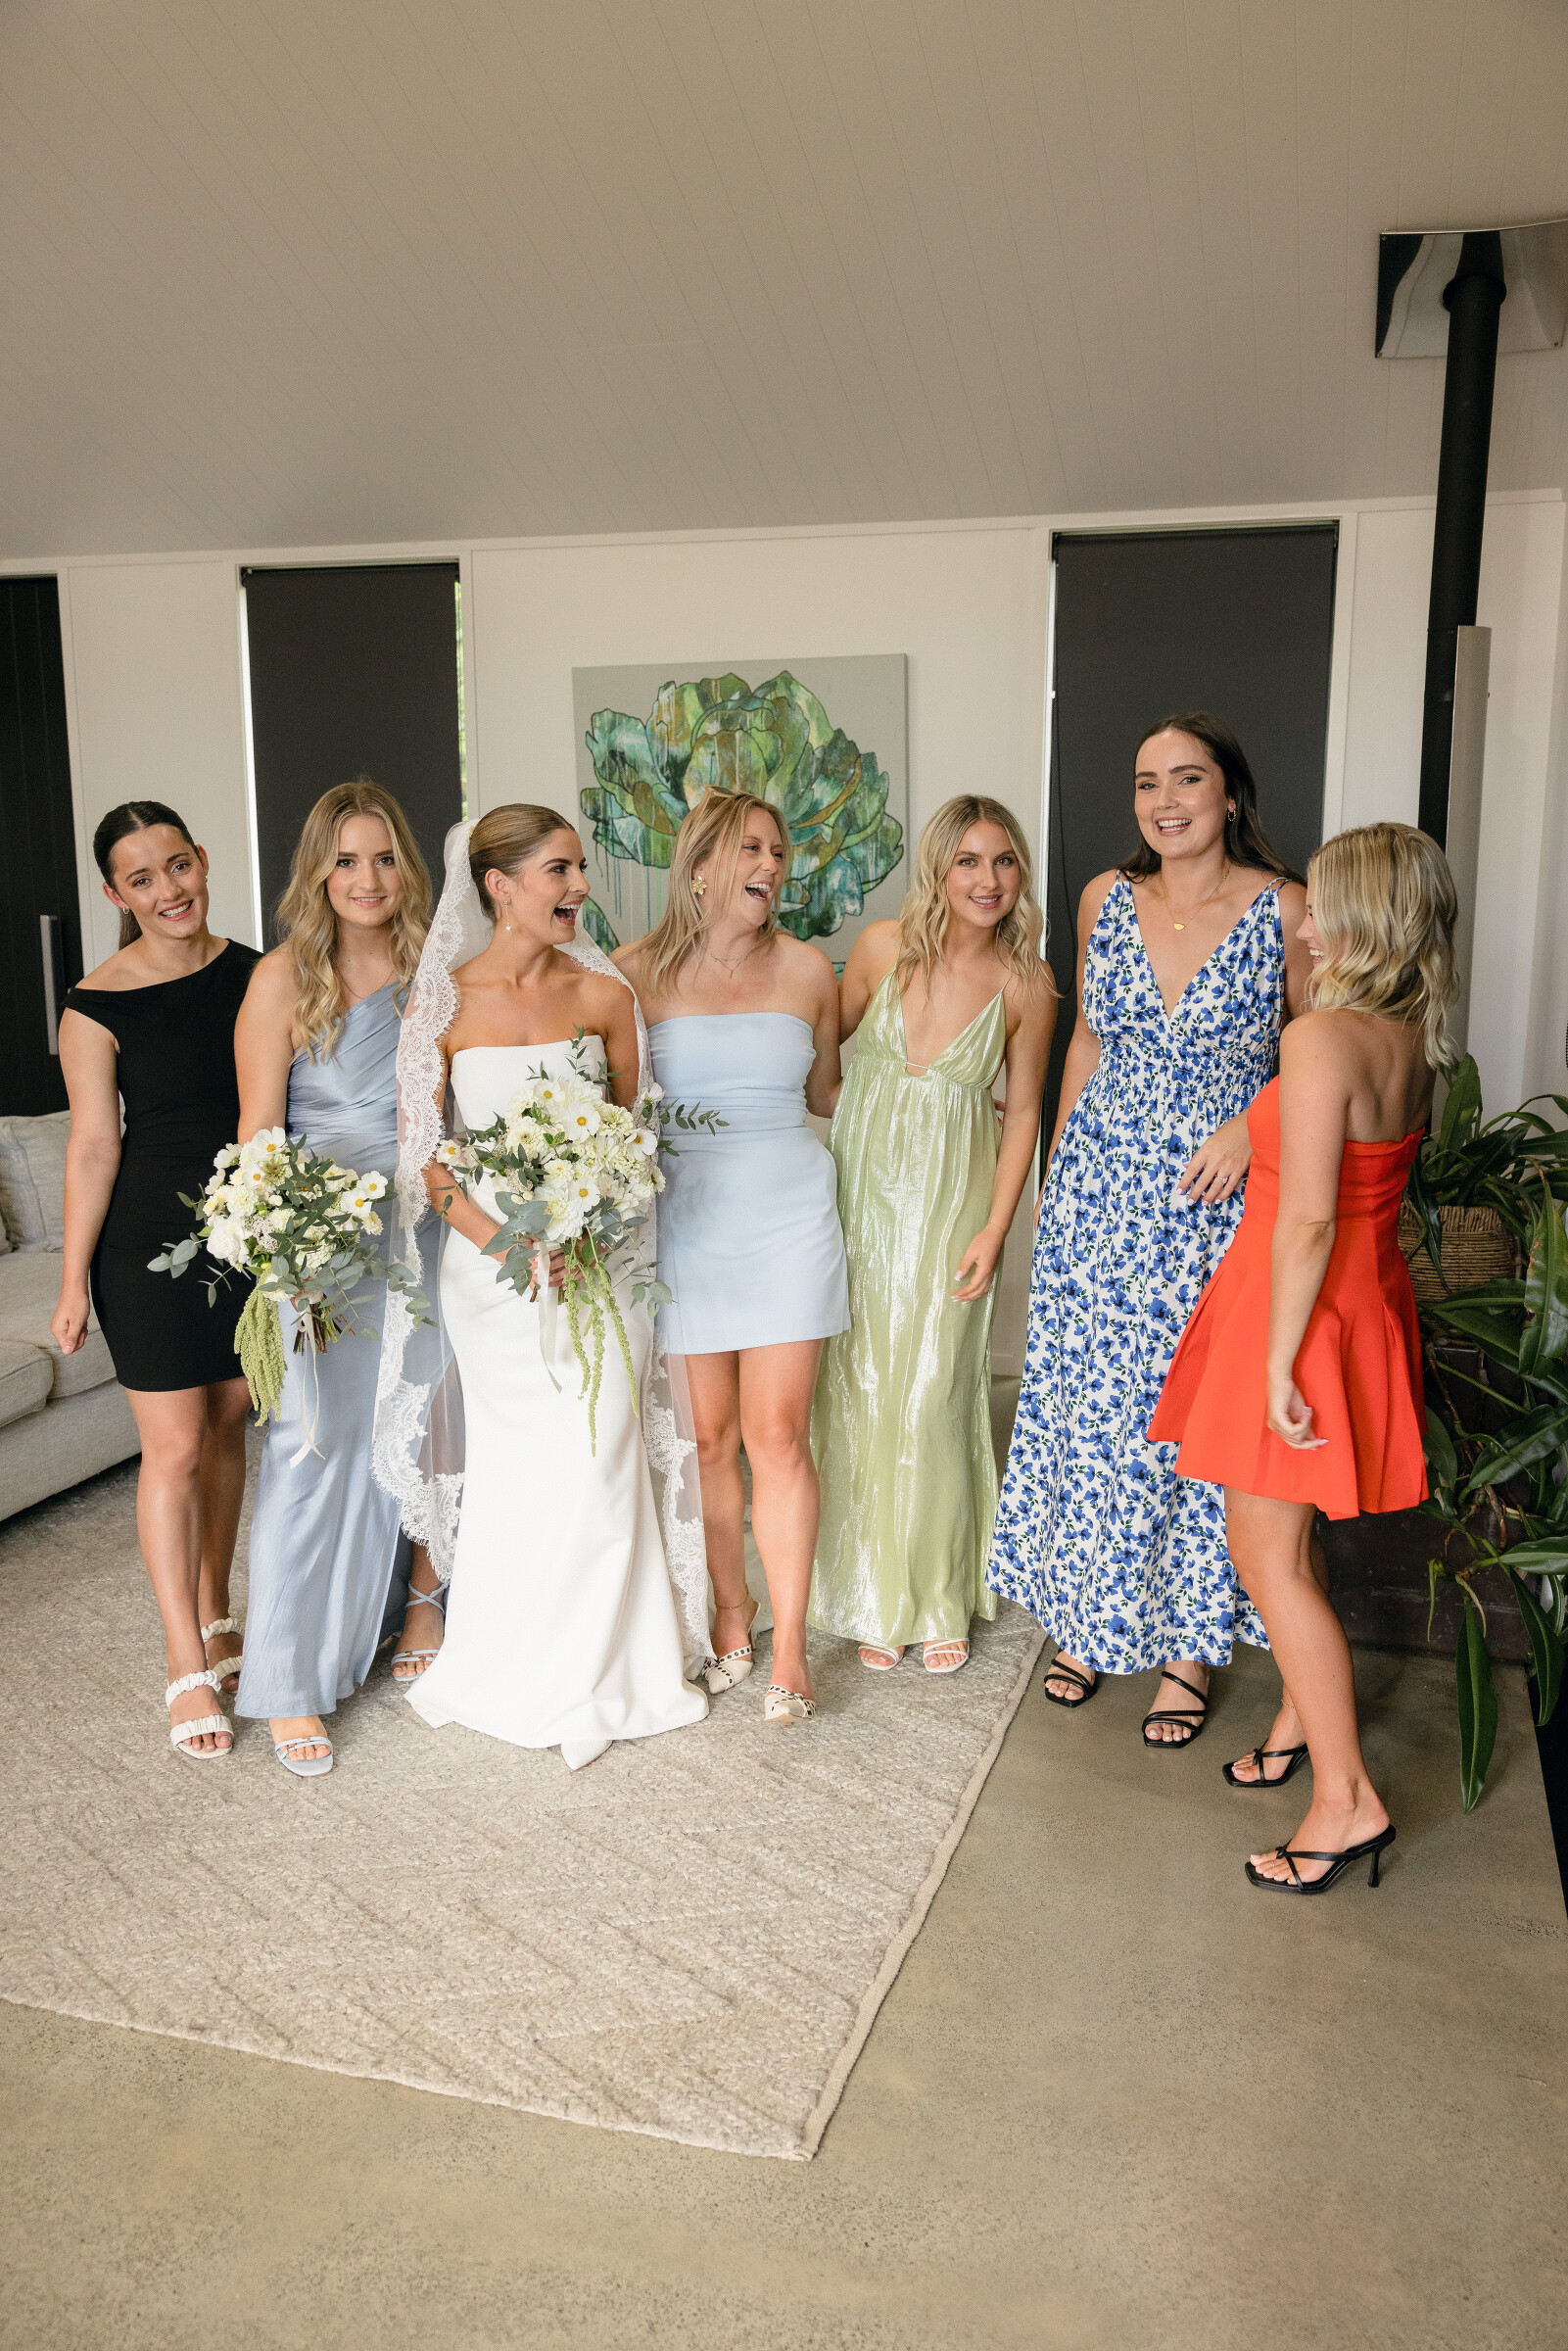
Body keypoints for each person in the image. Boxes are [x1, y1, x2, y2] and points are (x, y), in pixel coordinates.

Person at [987, 713, 1313, 1745]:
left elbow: (1319, 1051)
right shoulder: (1103, 898)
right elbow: (1086, 1038)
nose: (1163, 802)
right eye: (1145, 783)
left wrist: (1251, 1128)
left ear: (1229, 793)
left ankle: (1185, 1650)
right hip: (1099, 1191)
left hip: (1213, 1205)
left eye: (1186, 779)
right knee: (1090, 1410)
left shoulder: (1282, 906)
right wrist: (1058, 1174)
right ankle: (1085, 1619)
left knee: (1185, 1418)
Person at [1151, 823, 1455, 1891]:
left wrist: (1278, 1362)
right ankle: (1294, 1716)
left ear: (1367, 918)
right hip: (1355, 1304)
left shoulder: (1321, 1036)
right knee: (1289, 1541)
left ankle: (1345, 1802)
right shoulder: (1409, 1039)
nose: (1306, 926)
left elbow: (1309, 1220)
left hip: (1297, 1313)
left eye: (1322, 907)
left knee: (1264, 1559)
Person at [382, 804, 707, 1771]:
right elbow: (427, 1159)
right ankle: (514, 1661)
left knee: (601, 1454)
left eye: (579, 868)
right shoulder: (440, 1007)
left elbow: (636, 1142)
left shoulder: (604, 995)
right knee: (523, 1467)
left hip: (600, 1268)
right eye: (558, 870)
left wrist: (595, 1224)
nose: (579, 888)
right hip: (494, 1280)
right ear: (499, 886)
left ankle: (607, 1668)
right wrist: (506, 1245)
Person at [616, 789, 847, 1727]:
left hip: (789, 1215)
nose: (771, 866)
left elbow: (828, 1093)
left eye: (778, 852)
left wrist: (933, 1091)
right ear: (701, 865)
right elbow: (609, 1105)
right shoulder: (633, 973)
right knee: (708, 1440)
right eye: (751, 849)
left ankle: (790, 1646)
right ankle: (728, 1610)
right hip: (685, 1221)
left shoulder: (808, 969)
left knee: (776, 1436)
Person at [810, 795, 1055, 1673]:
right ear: (938, 870)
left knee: (933, 1390)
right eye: (968, 861)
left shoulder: (1027, 985)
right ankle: (873, 1596)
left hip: (955, 1204)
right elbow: (819, 1067)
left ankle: (940, 1591)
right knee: (857, 1385)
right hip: (857, 1200)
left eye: (1004, 861)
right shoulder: (881, 949)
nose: (988, 880)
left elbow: (1023, 1112)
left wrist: (996, 1226)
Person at [232, 780, 437, 1778]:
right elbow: (257, 1137)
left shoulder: (436, 972)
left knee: (413, 1430)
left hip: (427, 1231)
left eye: (384, 857)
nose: (368, 879)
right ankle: (285, 1680)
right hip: (323, 1243)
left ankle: (391, 1618)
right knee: (310, 1444)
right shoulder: (282, 980)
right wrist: (283, 1258)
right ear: (317, 872)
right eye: (347, 860)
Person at [51, 802, 260, 1760]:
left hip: (247, 1227)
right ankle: (184, 1658)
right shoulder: (94, 1005)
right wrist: (71, 1282)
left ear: (202, 860)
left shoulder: (258, 973)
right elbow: (94, 1148)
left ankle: (217, 1614)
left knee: (227, 1425)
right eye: (143, 878)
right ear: (115, 894)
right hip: (145, 1239)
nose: (169, 890)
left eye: (178, 866)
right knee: (172, 1448)